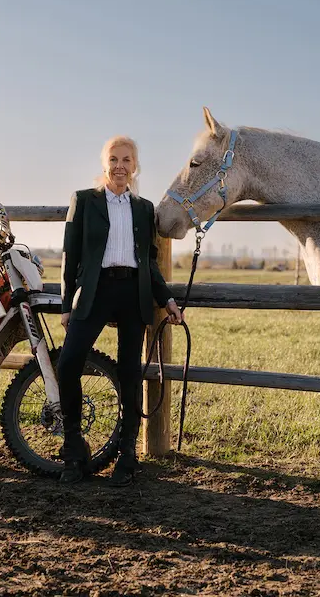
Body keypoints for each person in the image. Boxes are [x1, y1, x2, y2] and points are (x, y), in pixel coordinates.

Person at [58, 136, 183, 487]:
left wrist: (167, 299)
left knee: (130, 372)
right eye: (113, 159)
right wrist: (68, 305)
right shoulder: (84, 201)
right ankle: (73, 446)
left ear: (135, 166)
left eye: (126, 160)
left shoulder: (143, 208)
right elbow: (70, 256)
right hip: (95, 292)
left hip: (133, 292)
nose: (119, 166)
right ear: (104, 164)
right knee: (68, 363)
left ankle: (127, 454)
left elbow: (151, 263)